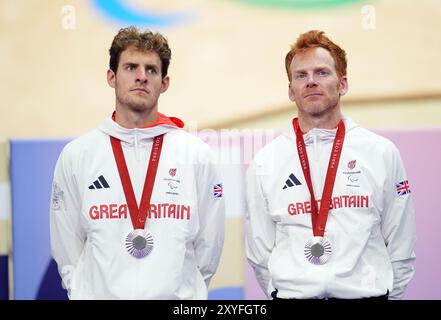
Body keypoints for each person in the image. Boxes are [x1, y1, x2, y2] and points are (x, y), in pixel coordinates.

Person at [50, 26, 225, 299]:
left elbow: (208, 248)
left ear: (164, 83)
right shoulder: (77, 156)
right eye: (131, 67)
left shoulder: (195, 155)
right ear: (111, 77)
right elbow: (66, 248)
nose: (142, 77)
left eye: (151, 70)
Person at [245, 30, 416, 300]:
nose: (311, 81)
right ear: (291, 91)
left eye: (322, 73)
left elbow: (401, 242)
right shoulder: (265, 162)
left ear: (343, 84)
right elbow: (259, 251)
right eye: (301, 75)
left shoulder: (381, 152)